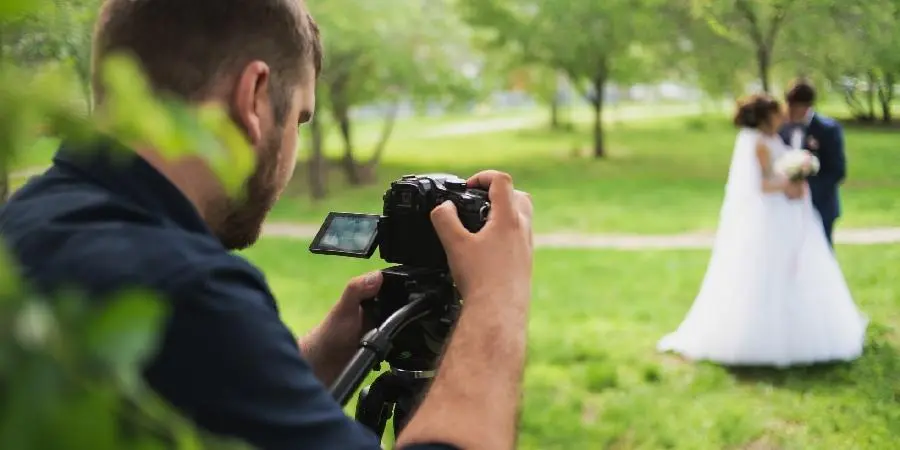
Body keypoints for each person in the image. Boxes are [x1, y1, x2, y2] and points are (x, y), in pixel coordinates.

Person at [0, 1, 534, 449]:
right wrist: (497, 297)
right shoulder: (183, 289)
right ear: (254, 96)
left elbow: (198, 399)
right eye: (299, 118)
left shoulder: (29, 221)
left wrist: (319, 357)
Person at [657, 94, 867, 367]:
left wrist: (796, 178)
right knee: (768, 270)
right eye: (777, 113)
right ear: (766, 117)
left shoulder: (771, 139)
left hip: (785, 212)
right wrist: (791, 181)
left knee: (796, 266)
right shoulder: (758, 143)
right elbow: (764, 185)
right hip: (770, 217)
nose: (782, 117)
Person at [779, 79, 847, 246]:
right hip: (786, 205)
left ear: (806, 107)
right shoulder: (782, 128)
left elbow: (837, 170)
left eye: (794, 107)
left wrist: (806, 189)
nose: (790, 112)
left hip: (820, 205)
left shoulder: (828, 130)